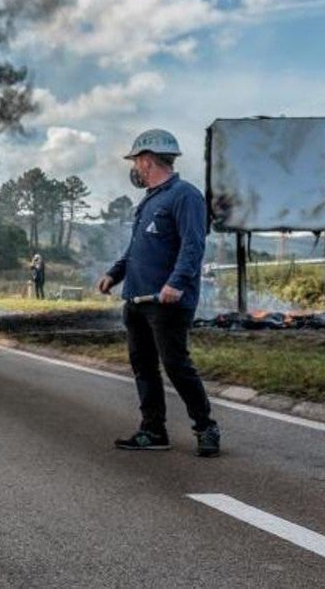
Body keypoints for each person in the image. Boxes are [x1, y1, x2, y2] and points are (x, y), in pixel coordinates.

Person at [97, 129, 221, 457]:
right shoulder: (149, 201)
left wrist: (176, 284)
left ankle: (206, 426)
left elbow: (193, 245)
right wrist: (115, 273)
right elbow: (137, 249)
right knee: (144, 367)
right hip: (137, 300)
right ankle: (153, 430)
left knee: (176, 365)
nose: (135, 168)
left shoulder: (185, 196)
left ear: (148, 160)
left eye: (137, 161)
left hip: (167, 302)